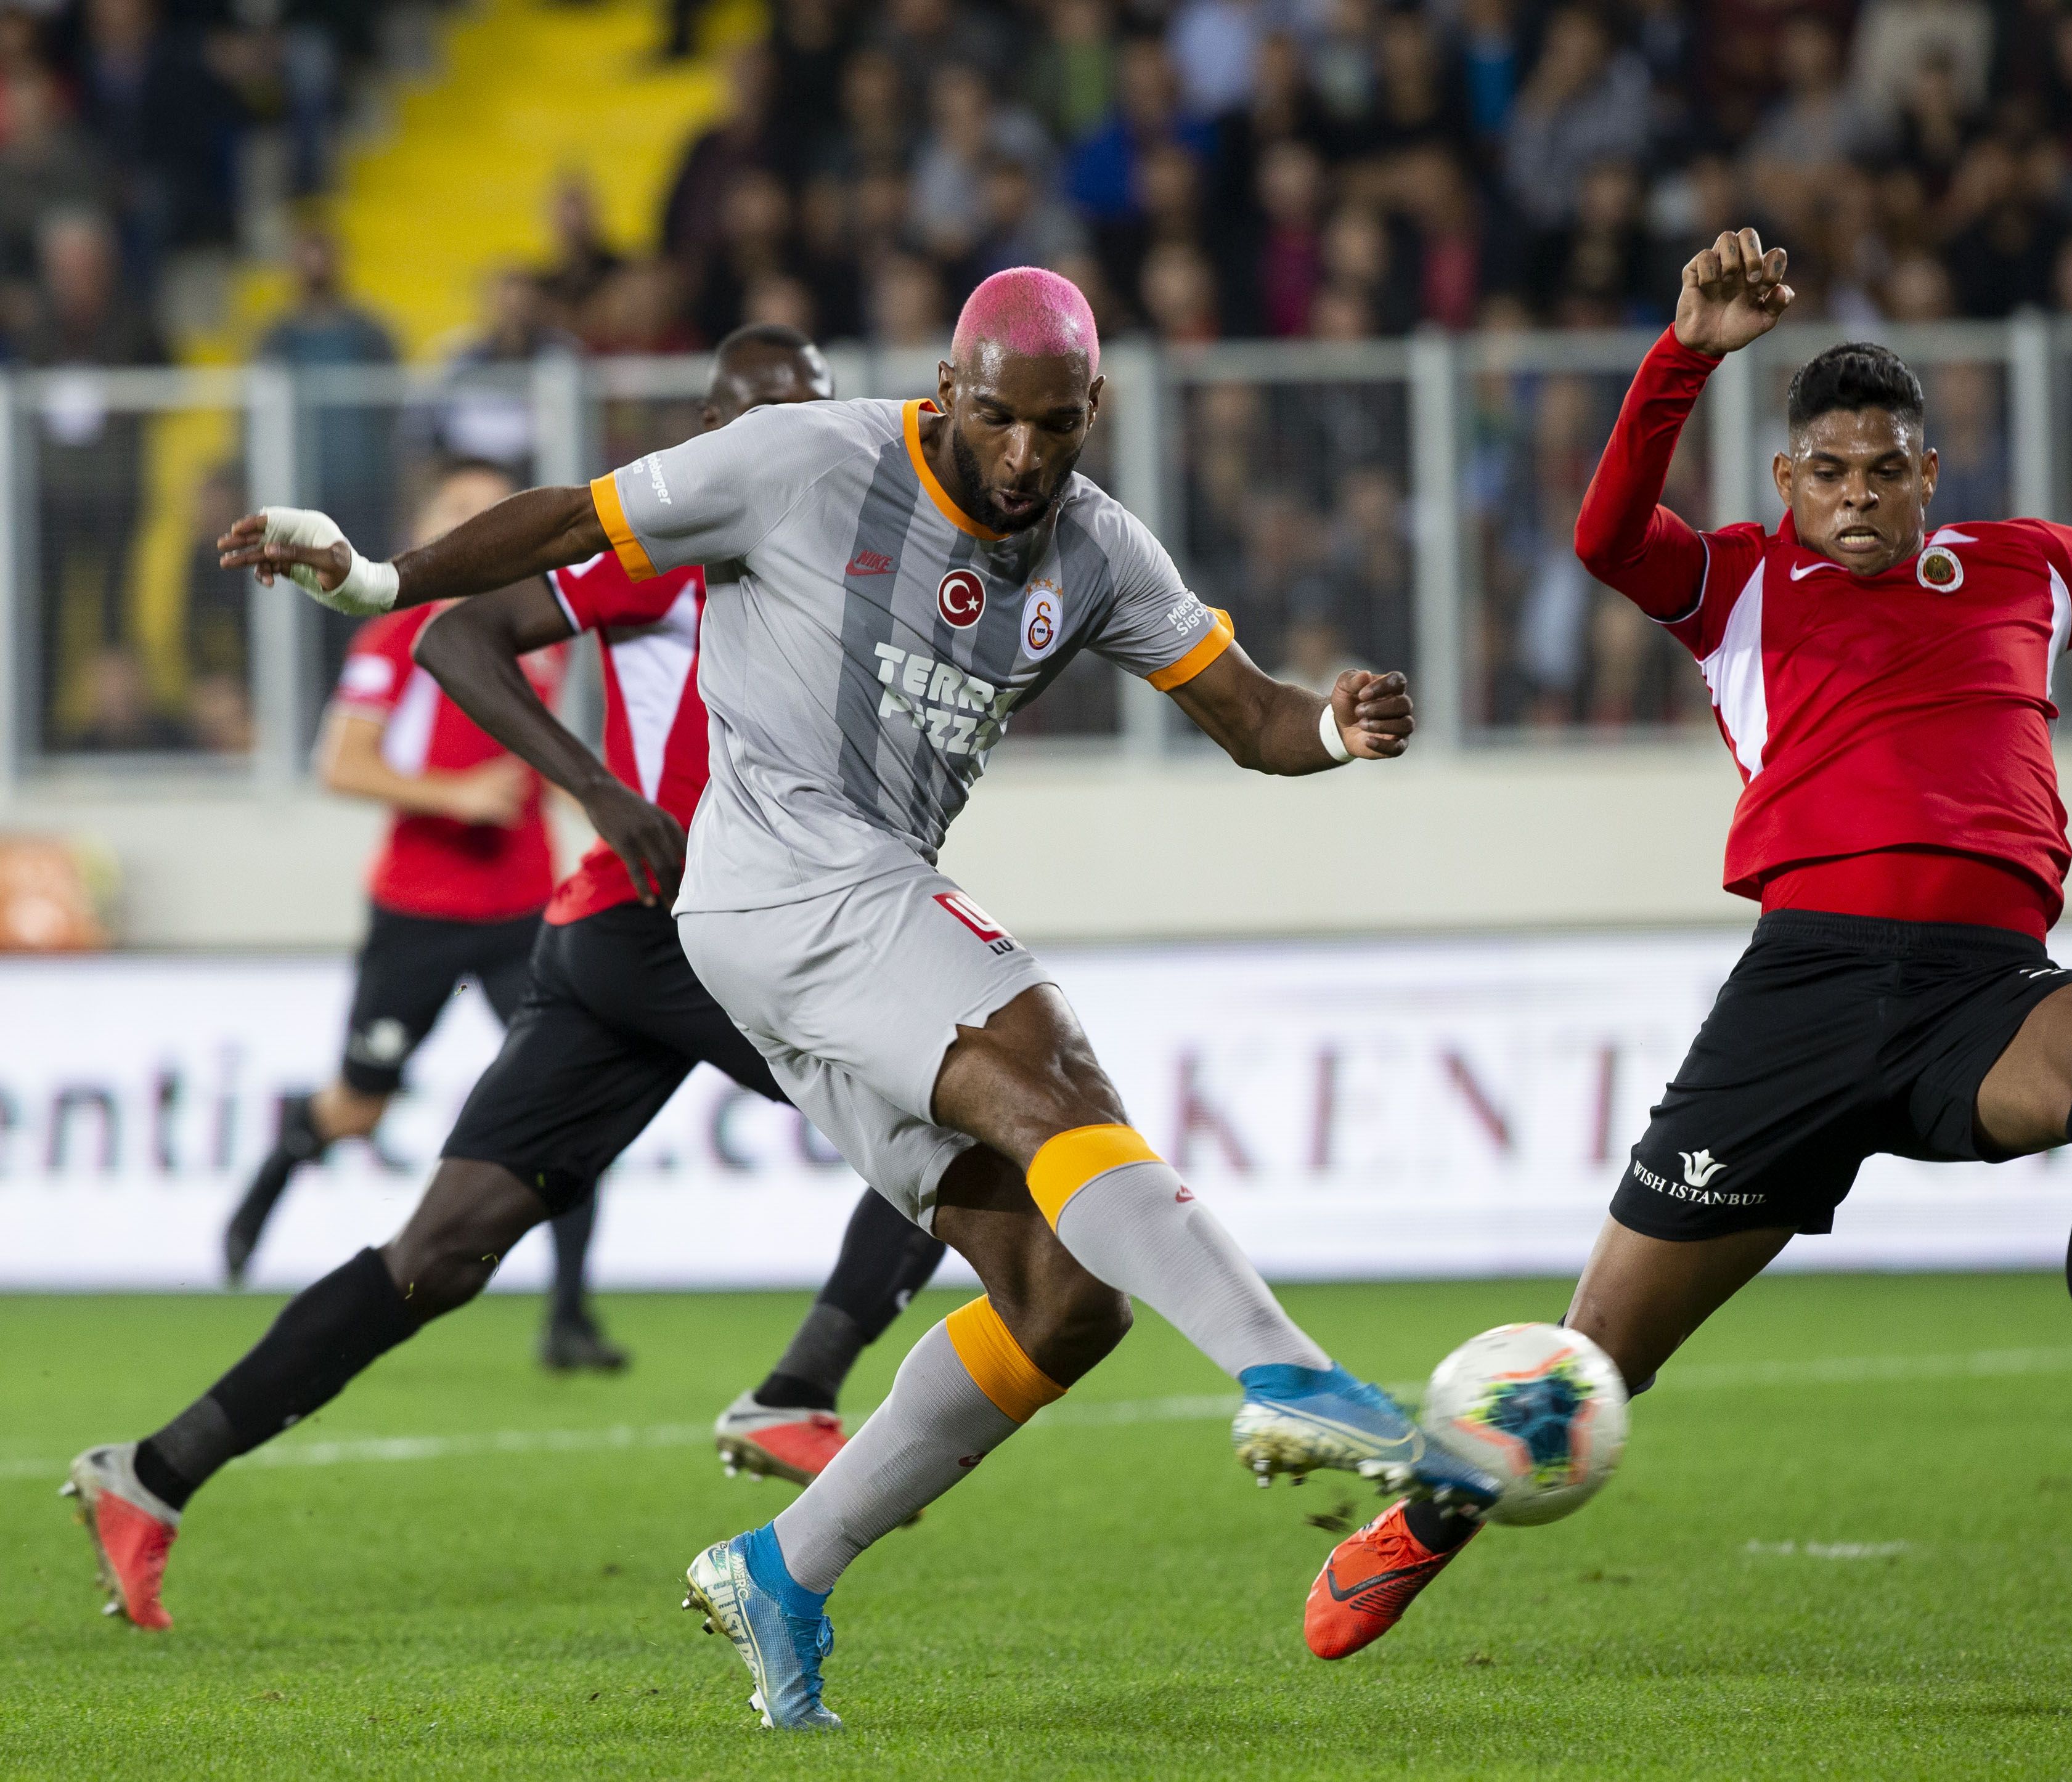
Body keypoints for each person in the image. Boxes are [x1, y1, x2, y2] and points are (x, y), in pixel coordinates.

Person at [214, 266, 1492, 1731]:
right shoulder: (805, 459)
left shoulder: (1097, 549)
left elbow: (1251, 714)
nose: (1025, 459)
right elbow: (573, 520)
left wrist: (1335, 723)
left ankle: (785, 1565)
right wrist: (377, 580)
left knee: (1066, 1300)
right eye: (1000, 422)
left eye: (1058, 429)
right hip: (777, 874)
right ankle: (1290, 1372)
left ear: (1096, 412)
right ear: (947, 393)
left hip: (810, 934)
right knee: (1046, 1060)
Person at [1302, 228, 2072, 1658]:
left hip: (1983, 998)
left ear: (1929, 474)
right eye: (1831, 474)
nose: (1859, 497)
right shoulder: (1733, 585)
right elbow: (1605, 538)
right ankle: (1422, 1520)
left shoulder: (2032, 569)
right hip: (1799, 998)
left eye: (1887, 470)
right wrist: (1683, 360)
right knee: (1594, 1360)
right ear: (1788, 483)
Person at [63, 328, 950, 1634]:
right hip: (678, 927)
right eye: (766, 425)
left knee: (441, 1250)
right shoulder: (667, 552)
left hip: (610, 943)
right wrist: (600, 787)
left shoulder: (834, 565)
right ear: (710, 431)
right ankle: (796, 1391)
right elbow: (454, 645)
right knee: (946, 1117)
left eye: (814, 424)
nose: (792, 452)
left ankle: (151, 1472)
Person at [219, 459, 627, 1370]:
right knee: (358, 1110)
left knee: (568, 1096)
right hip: (419, 911)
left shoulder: (543, 628)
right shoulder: (390, 633)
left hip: (526, 905)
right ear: (429, 525)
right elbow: (342, 767)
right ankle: (268, 1184)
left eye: (494, 510)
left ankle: (568, 1319)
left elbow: (550, 757)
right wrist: (455, 797)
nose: (479, 525)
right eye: (457, 511)